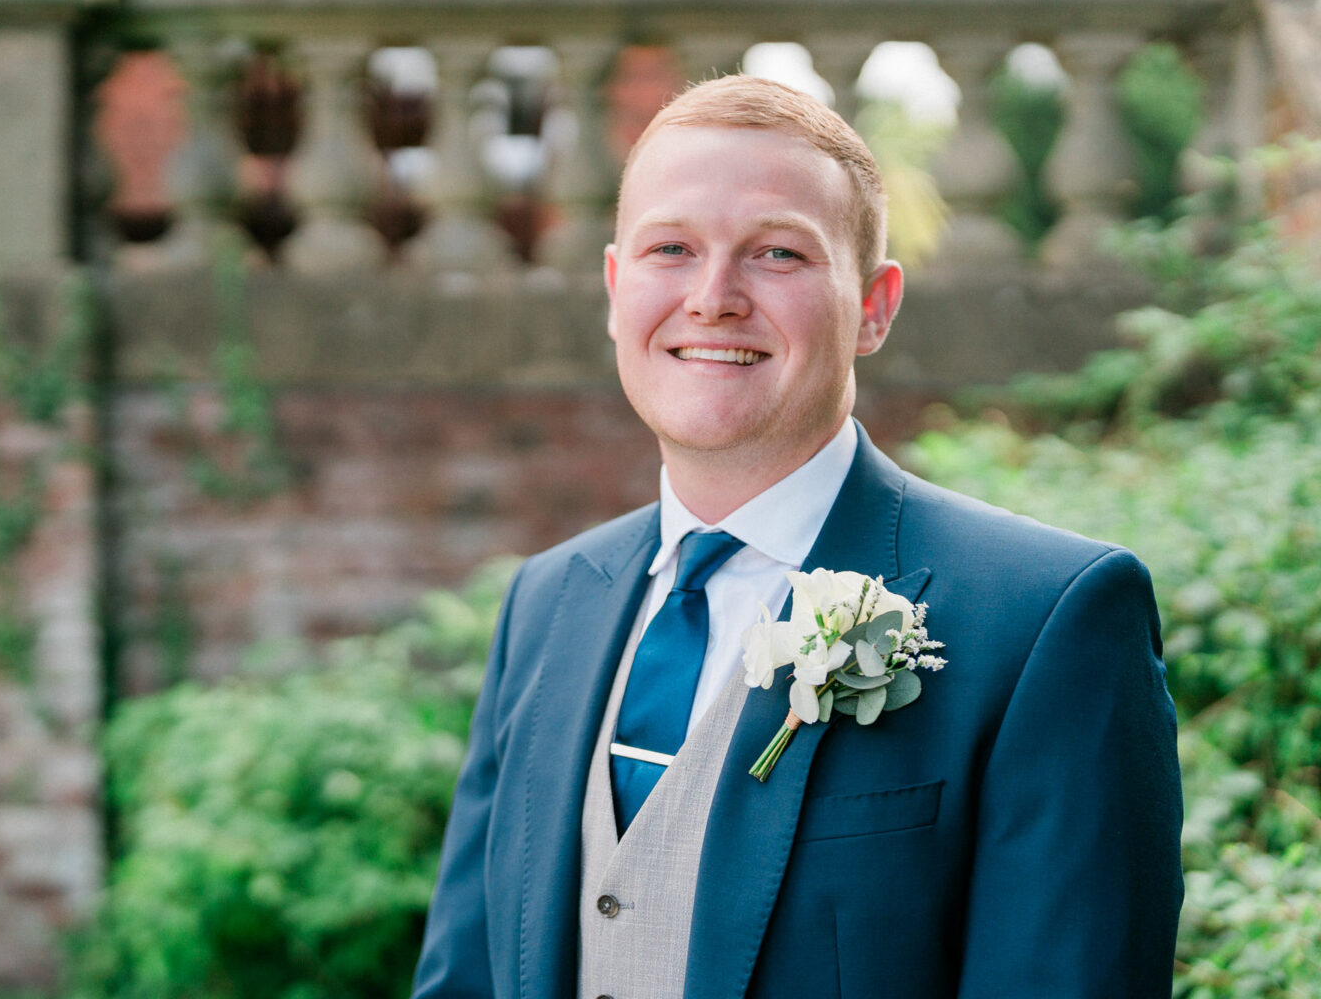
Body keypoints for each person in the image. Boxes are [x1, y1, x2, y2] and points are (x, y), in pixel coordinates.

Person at [412, 74, 1182, 999]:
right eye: (672, 248)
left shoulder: (1047, 620)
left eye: (777, 253)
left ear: (874, 307)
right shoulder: (547, 600)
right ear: (616, 290)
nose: (712, 297)